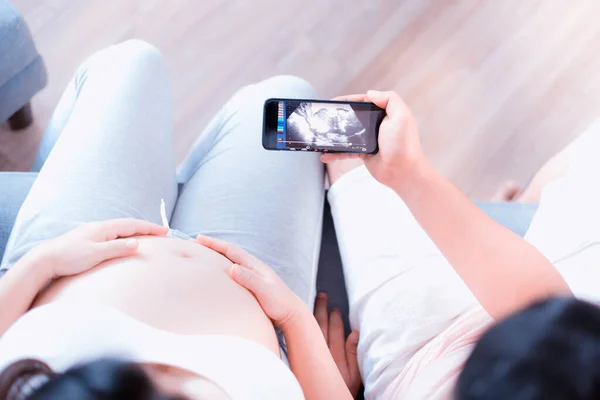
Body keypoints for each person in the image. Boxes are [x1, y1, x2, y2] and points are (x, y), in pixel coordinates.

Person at [0, 40, 361, 400]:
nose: (162, 372)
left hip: (70, 254)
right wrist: (297, 323)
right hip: (266, 298)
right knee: (289, 97)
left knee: (132, 60)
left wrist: (41, 263)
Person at [320, 89, 600, 399]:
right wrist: (408, 174)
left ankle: (516, 212)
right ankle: (518, 210)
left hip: (413, 356)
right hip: (532, 306)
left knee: (342, 156)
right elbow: (545, 308)